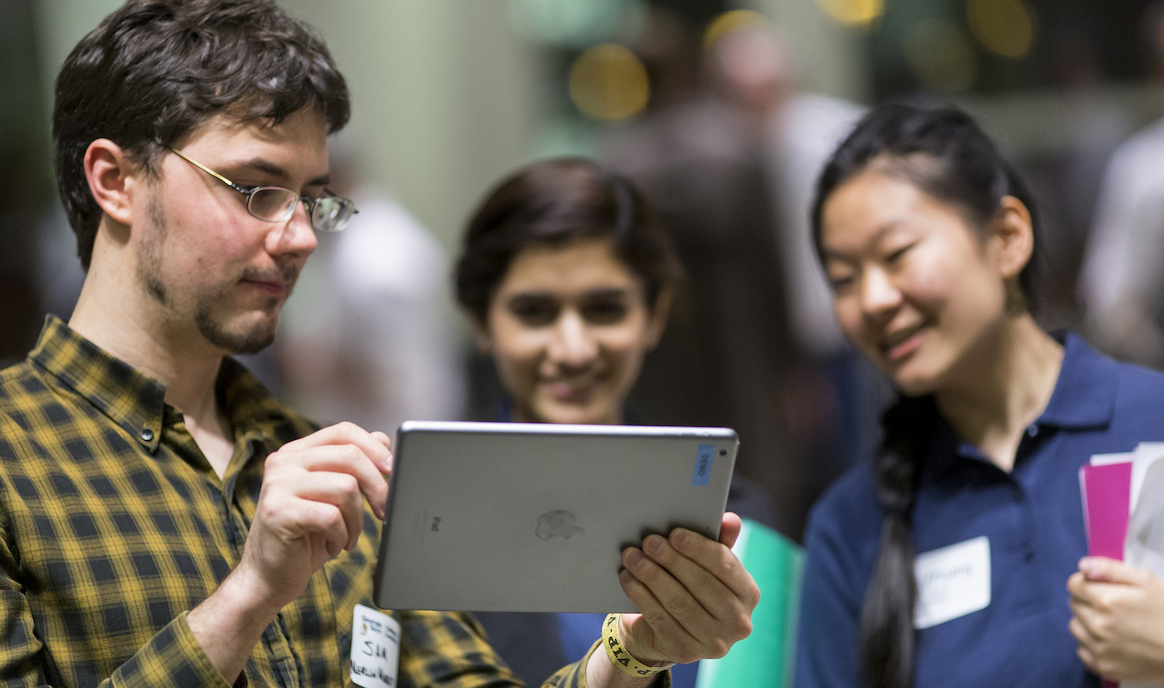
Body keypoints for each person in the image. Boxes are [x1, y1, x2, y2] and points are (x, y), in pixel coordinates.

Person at [0, 2, 759, 687]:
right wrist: (248, 599)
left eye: (313, 199)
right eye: (257, 190)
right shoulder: (15, 458)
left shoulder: (328, 466)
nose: (300, 237)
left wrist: (632, 651)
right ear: (116, 180)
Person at [793, 102, 1164, 688]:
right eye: (844, 279)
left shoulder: (1152, 419)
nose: (872, 300)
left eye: (896, 254)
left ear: (1007, 237)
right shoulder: (850, 527)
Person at [452, 157, 781, 688]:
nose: (573, 349)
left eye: (605, 309)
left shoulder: (739, 519)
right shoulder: (428, 514)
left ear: (655, 313)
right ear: (480, 320)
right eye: (534, 312)